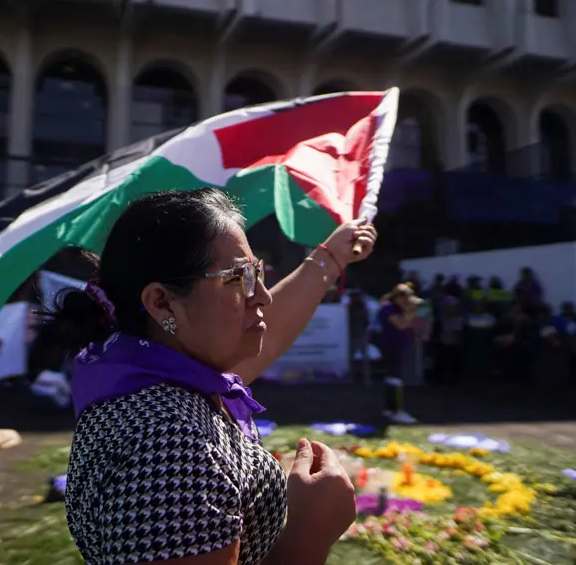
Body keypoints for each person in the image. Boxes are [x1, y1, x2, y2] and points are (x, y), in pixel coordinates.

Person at [47, 189, 377, 565]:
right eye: (239, 279)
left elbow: (268, 334)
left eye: (258, 273)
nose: (263, 296)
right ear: (162, 303)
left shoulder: (158, 381)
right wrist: (309, 532)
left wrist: (329, 259)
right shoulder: (165, 442)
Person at [377, 283, 421, 424]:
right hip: (391, 346)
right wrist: (411, 310)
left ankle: (391, 409)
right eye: (405, 298)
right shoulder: (388, 308)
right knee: (394, 379)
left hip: (399, 346)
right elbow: (401, 324)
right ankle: (396, 410)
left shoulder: (397, 308)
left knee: (395, 378)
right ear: (398, 297)